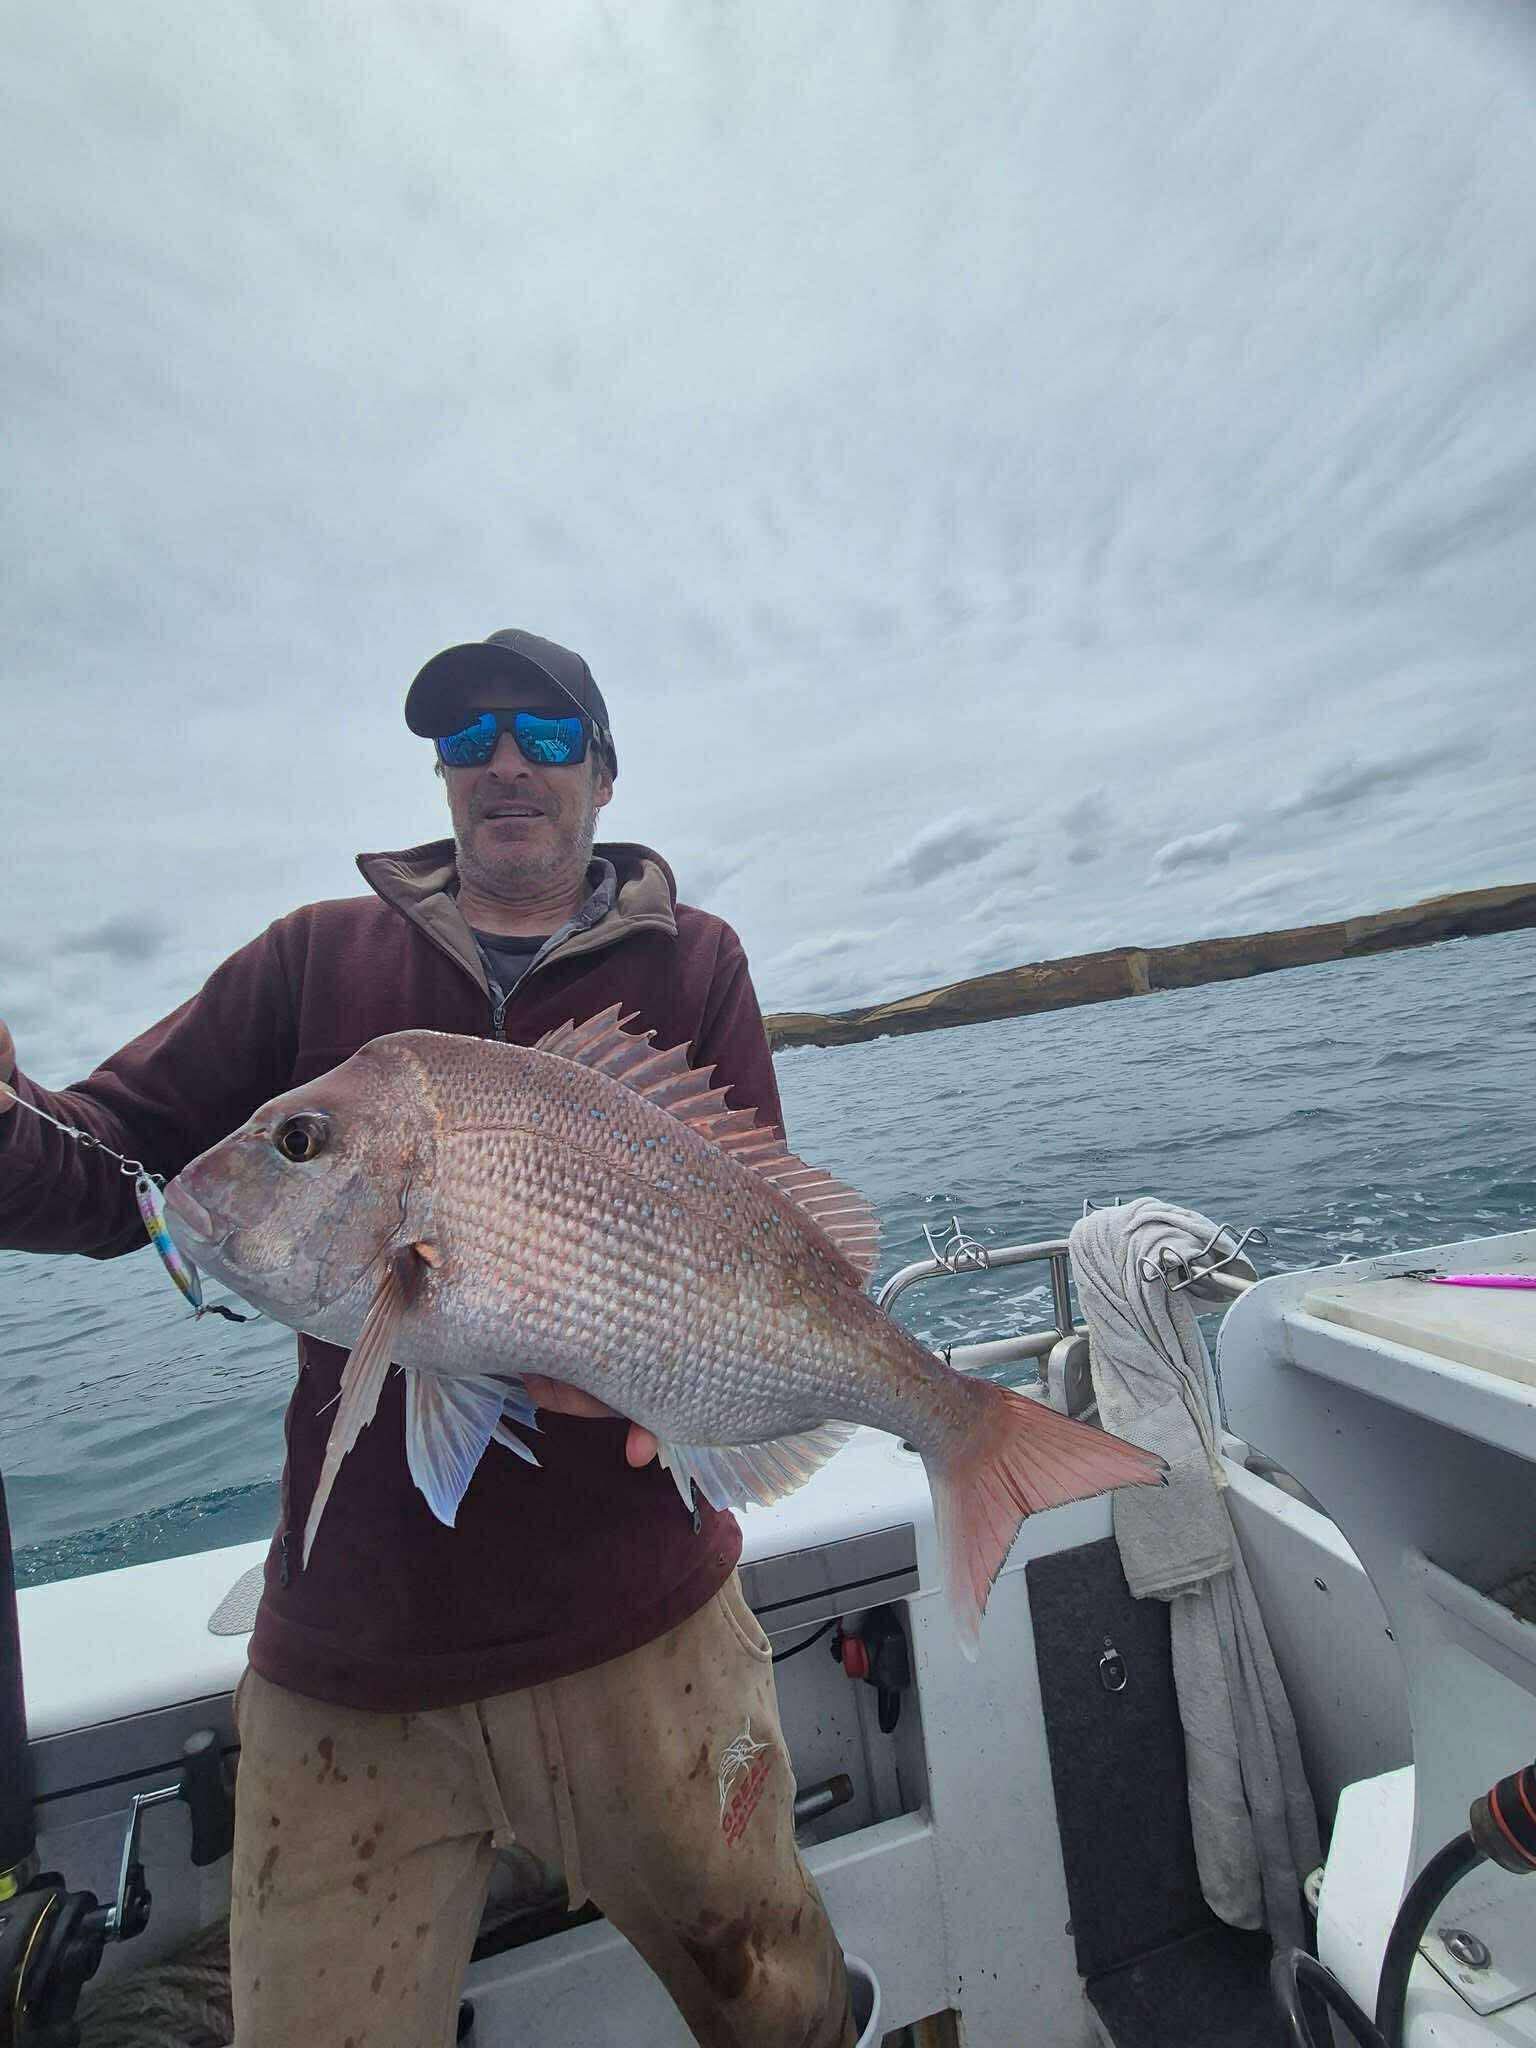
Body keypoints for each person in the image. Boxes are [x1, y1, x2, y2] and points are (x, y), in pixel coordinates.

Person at [0, 628, 857, 2048]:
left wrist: (689, 1386)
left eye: (544, 733)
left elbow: (755, 1239)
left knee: (778, 2005)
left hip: (644, 1629)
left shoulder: (697, 961)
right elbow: (115, 1169)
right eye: (466, 740)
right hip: (356, 1668)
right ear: (442, 780)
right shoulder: (311, 962)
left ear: (603, 771)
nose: (505, 762)